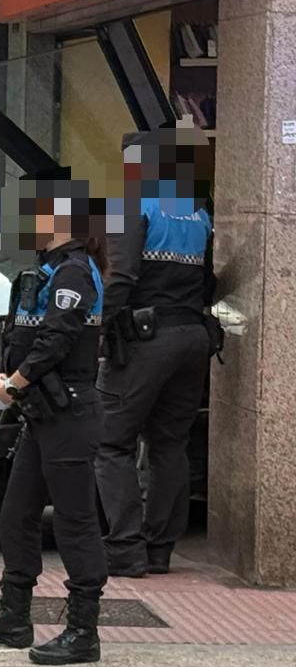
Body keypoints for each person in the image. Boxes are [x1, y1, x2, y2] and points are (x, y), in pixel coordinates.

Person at [0, 181, 108, 665]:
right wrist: (2, 372)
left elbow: (58, 339)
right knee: (17, 514)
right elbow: (20, 333)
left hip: (68, 413)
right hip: (41, 414)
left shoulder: (74, 271)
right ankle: (14, 615)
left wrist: (17, 382)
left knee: (75, 521)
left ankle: (83, 631)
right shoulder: (42, 272)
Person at [95, 131, 216, 577]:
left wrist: (98, 328)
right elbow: (209, 282)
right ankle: (160, 549)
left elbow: (121, 277)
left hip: (145, 340)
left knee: (111, 442)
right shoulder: (197, 212)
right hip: (193, 338)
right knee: (169, 444)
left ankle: (125, 549)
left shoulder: (132, 205)